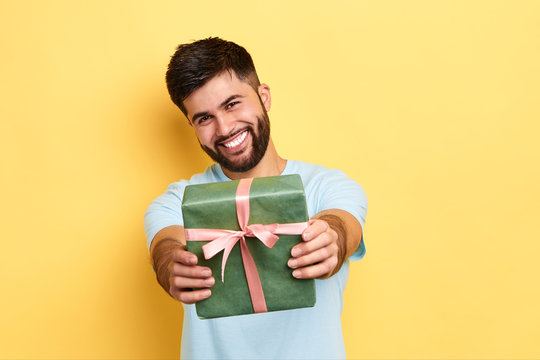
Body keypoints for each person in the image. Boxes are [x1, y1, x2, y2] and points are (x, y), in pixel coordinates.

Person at [144, 37, 368, 359]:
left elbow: (343, 225)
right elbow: (166, 244)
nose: (224, 128)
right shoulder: (178, 200)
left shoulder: (328, 186)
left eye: (232, 104)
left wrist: (332, 237)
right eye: (204, 118)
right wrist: (170, 265)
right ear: (191, 125)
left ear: (264, 96)